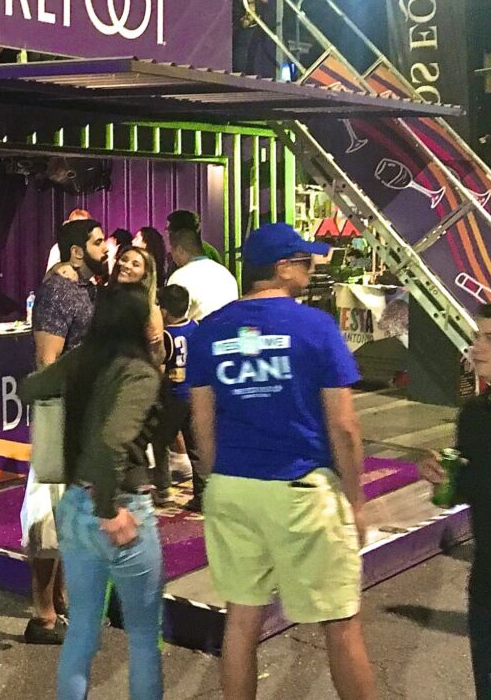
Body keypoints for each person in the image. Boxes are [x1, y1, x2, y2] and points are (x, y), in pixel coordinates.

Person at [188, 223, 376, 700]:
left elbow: (202, 422)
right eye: (305, 262)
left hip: (233, 486)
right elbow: (344, 426)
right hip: (299, 491)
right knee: (339, 620)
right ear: (282, 268)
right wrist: (355, 499)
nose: (311, 270)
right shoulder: (315, 327)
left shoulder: (211, 330)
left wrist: (215, 479)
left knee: (242, 622)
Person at [21, 285, 165, 700]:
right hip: (120, 507)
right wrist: (111, 509)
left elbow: (32, 389)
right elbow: (111, 443)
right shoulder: (138, 372)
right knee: (142, 637)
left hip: (74, 508)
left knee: (82, 630)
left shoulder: (83, 360)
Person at [23, 217, 108, 644]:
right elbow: (48, 361)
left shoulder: (86, 288)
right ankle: (42, 616)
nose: (106, 246)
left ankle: (61, 600)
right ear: (77, 251)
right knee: (47, 515)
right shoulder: (57, 291)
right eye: (97, 242)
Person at [418, 301, 491, 700]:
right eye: (476, 337)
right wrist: (444, 479)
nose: (477, 348)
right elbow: (469, 490)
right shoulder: (472, 417)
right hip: (490, 591)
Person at [150, 284, 205, 510]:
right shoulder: (196, 327)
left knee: (160, 440)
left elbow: (162, 367)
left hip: (174, 396)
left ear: (164, 311)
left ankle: (163, 489)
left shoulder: (166, 336)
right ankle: (202, 493)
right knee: (195, 445)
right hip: (194, 393)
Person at [109, 245, 168, 364]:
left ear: (145, 274)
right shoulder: (104, 298)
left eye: (135, 264)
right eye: (124, 259)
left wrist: (155, 345)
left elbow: (158, 359)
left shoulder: (150, 309)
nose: (126, 265)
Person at [167, 225, 238, 321]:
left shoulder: (179, 277)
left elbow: (173, 319)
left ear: (180, 250)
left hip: (197, 333)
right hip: (229, 332)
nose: (172, 256)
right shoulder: (226, 273)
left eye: (172, 251)